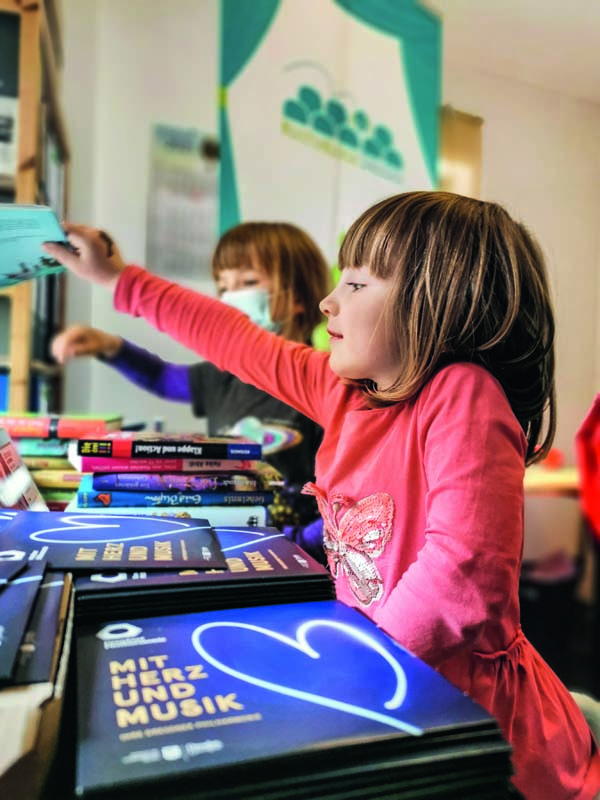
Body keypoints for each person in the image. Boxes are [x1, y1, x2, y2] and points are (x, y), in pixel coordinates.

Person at [43, 192, 600, 800]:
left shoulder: (462, 393)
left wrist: (349, 666)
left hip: (474, 720)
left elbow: (461, 578)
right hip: (382, 682)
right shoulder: (342, 392)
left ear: (440, 305)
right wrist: (117, 278)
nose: (328, 301)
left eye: (357, 284)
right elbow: (232, 337)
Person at [51, 222, 330, 557]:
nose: (230, 297)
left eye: (248, 282)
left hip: (295, 556)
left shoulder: (322, 387)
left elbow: (347, 500)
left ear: (298, 298)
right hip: (230, 545)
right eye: (223, 286)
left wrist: (298, 542)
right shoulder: (222, 377)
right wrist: (110, 347)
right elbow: (163, 378)